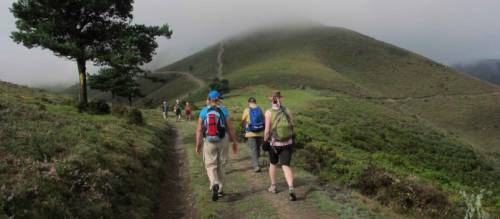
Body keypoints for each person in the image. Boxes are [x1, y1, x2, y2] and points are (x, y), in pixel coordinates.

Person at [196, 91, 239, 202]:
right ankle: (220, 189)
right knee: (222, 164)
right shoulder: (223, 110)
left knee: (210, 164)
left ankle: (214, 183)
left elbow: (199, 129)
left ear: (209, 99)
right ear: (218, 99)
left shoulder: (204, 111)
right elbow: (230, 128)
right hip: (223, 139)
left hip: (209, 141)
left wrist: (198, 144)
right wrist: (234, 142)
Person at [264, 91, 297, 201]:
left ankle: (273, 186)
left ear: (271, 99)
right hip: (287, 142)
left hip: (274, 144)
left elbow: (267, 130)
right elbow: (292, 125)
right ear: (280, 98)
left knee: (273, 164)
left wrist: (265, 141)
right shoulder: (287, 110)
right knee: (286, 165)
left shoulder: (268, 112)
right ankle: (291, 188)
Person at [241, 97, 265, 172]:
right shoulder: (261, 109)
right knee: (258, 148)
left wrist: (244, 129)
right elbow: (264, 119)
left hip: (250, 132)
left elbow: (243, 121)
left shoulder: (247, 110)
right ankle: (256, 163)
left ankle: (256, 166)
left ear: (248, 102)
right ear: (255, 102)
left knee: (254, 149)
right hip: (260, 132)